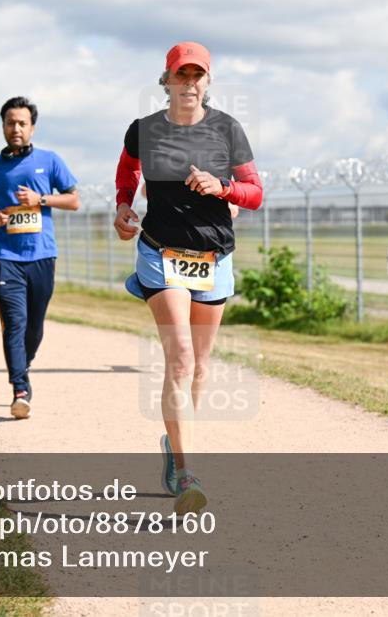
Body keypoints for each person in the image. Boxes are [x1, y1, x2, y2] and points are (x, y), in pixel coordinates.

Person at [114, 42, 262, 514]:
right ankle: (187, 472)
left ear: (208, 81)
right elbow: (127, 172)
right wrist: (122, 206)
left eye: (198, 75)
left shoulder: (227, 130)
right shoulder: (144, 131)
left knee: (199, 366)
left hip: (213, 257)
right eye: (182, 74)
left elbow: (255, 192)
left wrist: (223, 187)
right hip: (161, 252)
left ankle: (174, 446)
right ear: (168, 80)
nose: (190, 82)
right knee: (178, 358)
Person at [0, 96, 79, 420]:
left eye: (22, 123)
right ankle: (20, 388)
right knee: (13, 325)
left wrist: (40, 198)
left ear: (32, 127)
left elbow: (74, 200)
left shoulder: (50, 161)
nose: (16, 128)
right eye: (10, 122)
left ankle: (24, 363)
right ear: (3, 126)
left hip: (43, 256)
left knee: (34, 327)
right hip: (7, 257)